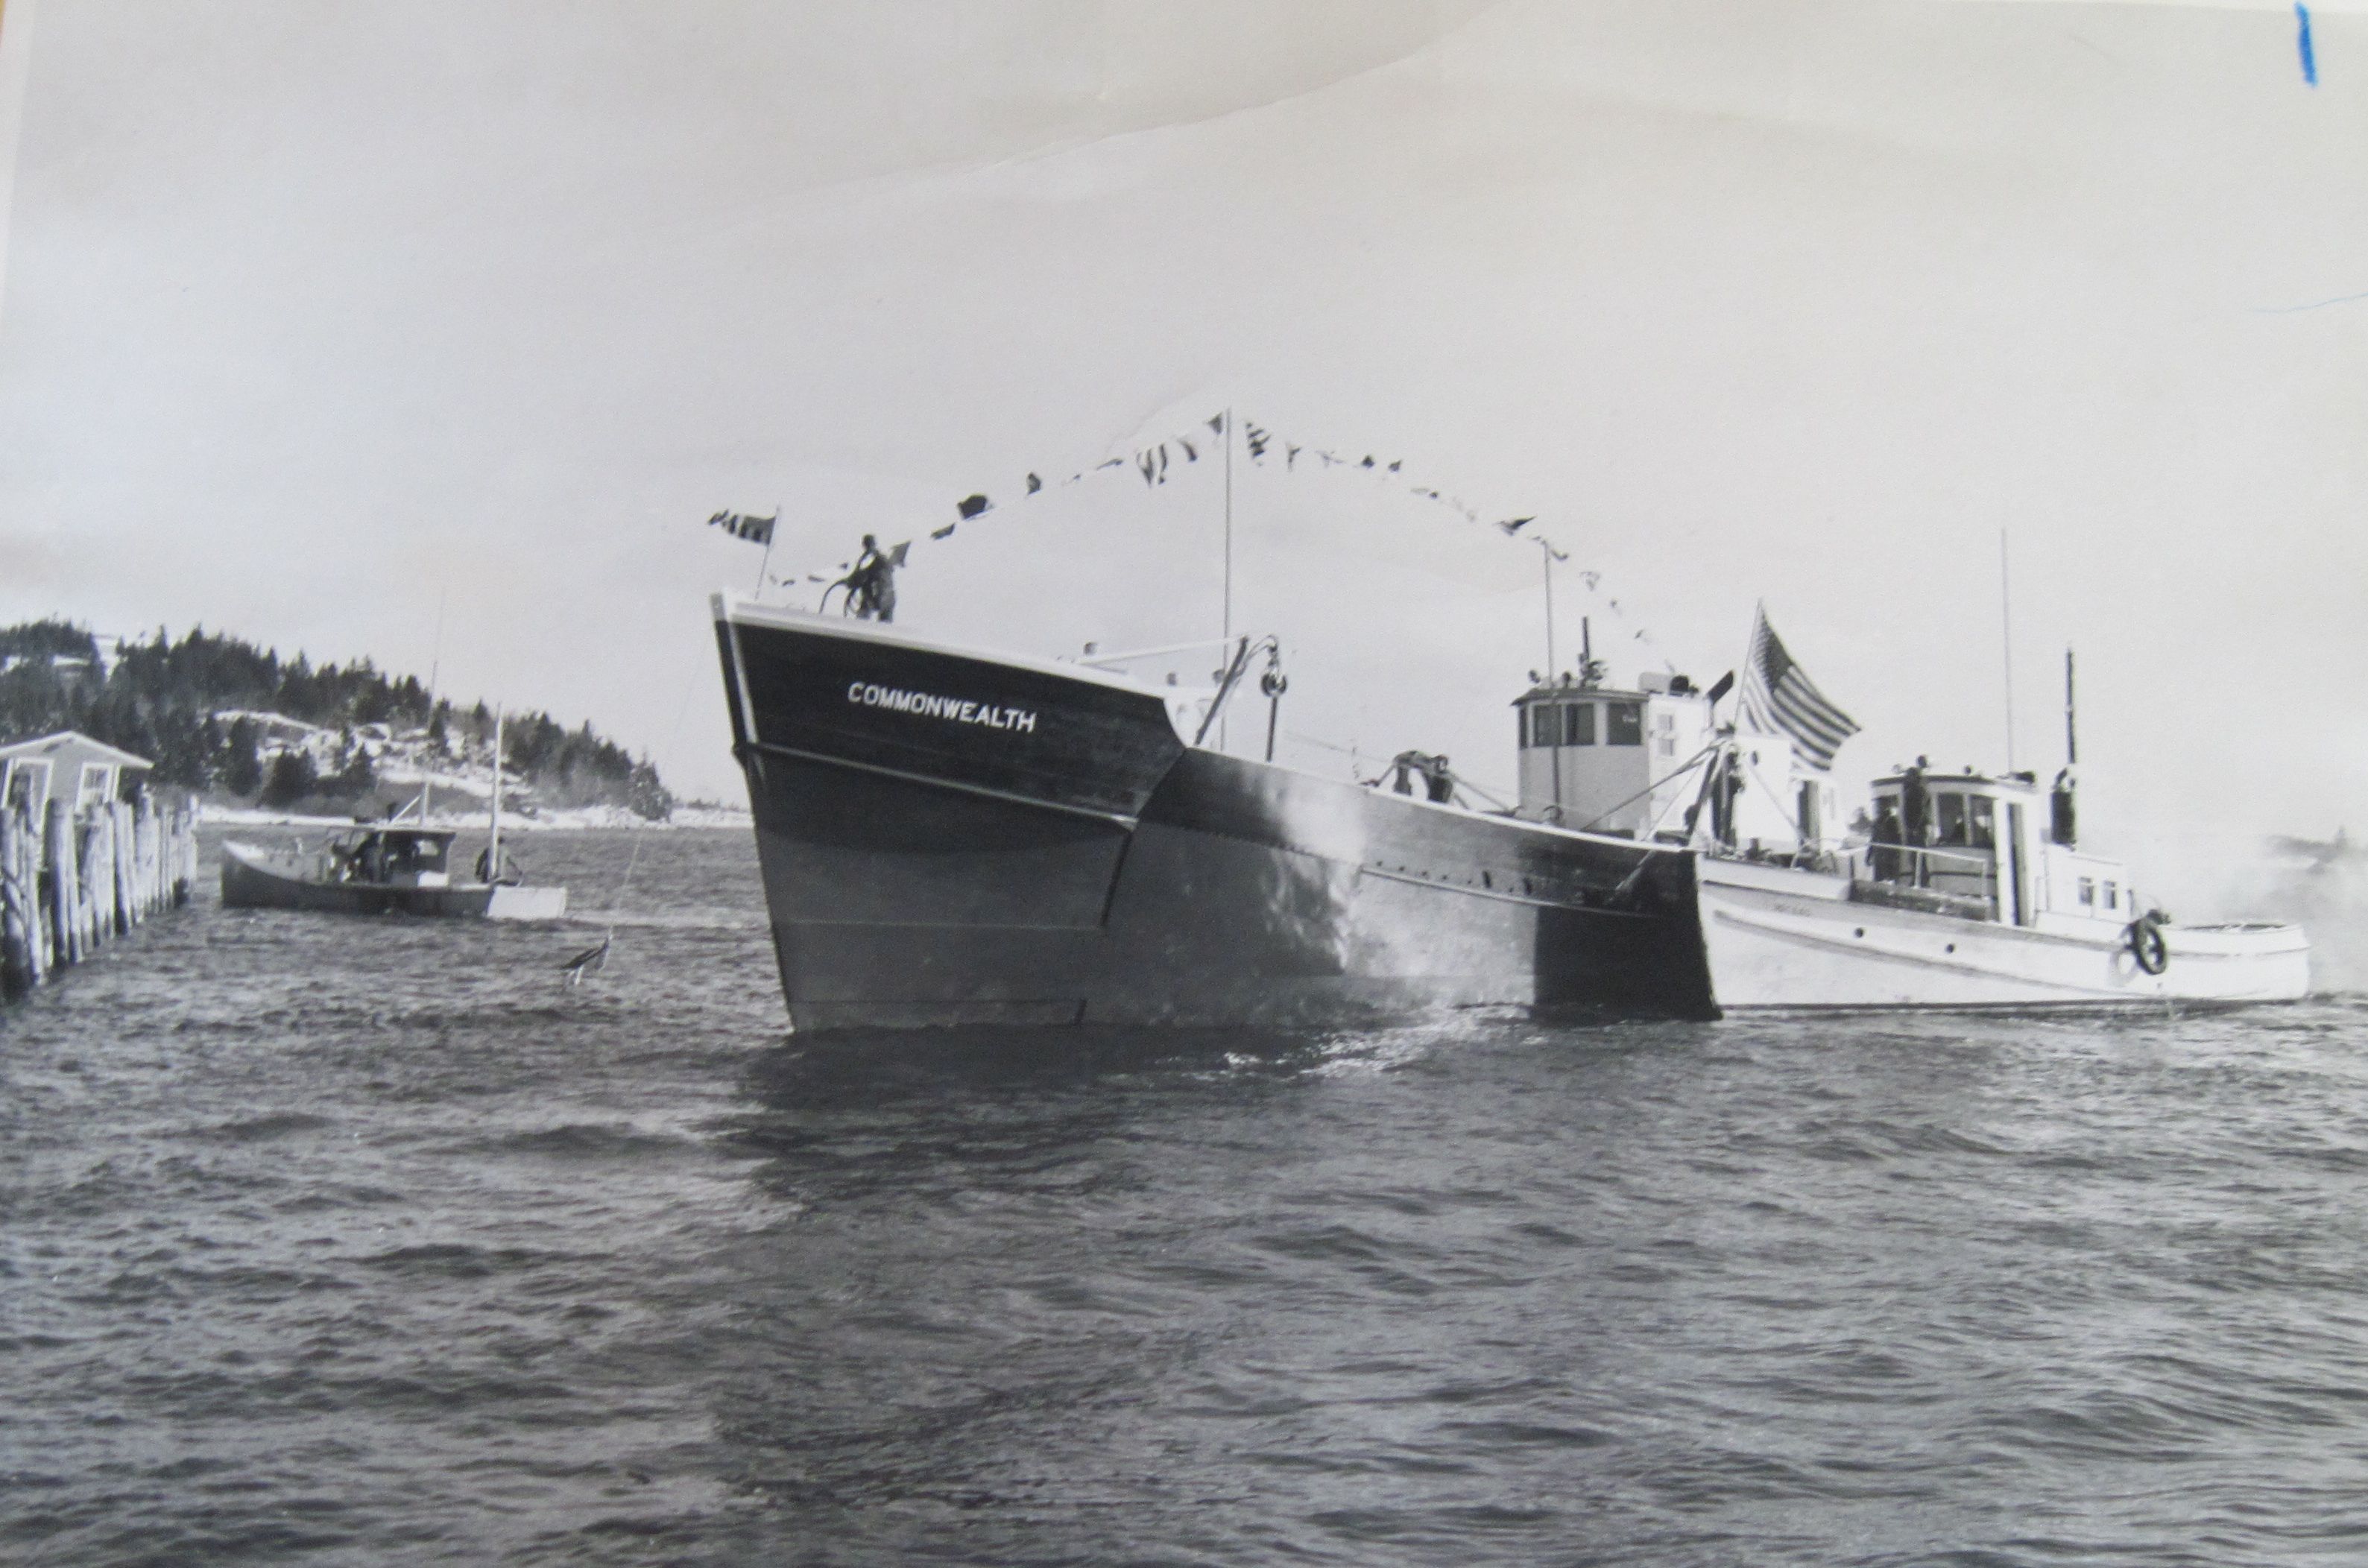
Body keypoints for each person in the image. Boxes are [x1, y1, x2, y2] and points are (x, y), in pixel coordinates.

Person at [845, 534, 903, 622]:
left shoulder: (868, 558)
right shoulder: (883, 558)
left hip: (873, 597)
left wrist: (849, 582)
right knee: (886, 626)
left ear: (864, 545)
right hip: (889, 597)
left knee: (861, 622)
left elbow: (858, 578)